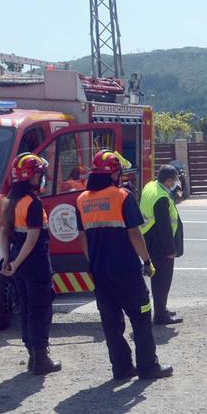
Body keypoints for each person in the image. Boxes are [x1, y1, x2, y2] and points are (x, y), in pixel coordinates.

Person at [76, 150, 174, 381]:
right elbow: (134, 234)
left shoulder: (81, 200)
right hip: (127, 271)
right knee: (141, 318)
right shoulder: (122, 195)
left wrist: (94, 263)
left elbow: (82, 238)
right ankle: (148, 368)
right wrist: (147, 261)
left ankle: (121, 369)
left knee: (111, 324)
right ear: (115, 172)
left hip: (100, 272)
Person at [0, 153, 61, 375]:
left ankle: (32, 356)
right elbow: (33, 238)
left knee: (25, 308)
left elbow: (4, 233)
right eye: (40, 174)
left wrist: (9, 260)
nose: (42, 178)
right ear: (32, 177)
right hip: (35, 264)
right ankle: (41, 358)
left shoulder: (9, 201)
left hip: (18, 263)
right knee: (41, 309)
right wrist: (16, 262)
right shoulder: (33, 203)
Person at [141, 164, 185, 326]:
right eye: (174, 180)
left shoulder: (151, 186)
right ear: (168, 181)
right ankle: (160, 315)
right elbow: (164, 227)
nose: (176, 183)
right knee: (162, 281)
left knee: (158, 279)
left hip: (150, 240)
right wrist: (170, 250)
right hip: (160, 246)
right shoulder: (161, 199)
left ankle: (162, 309)